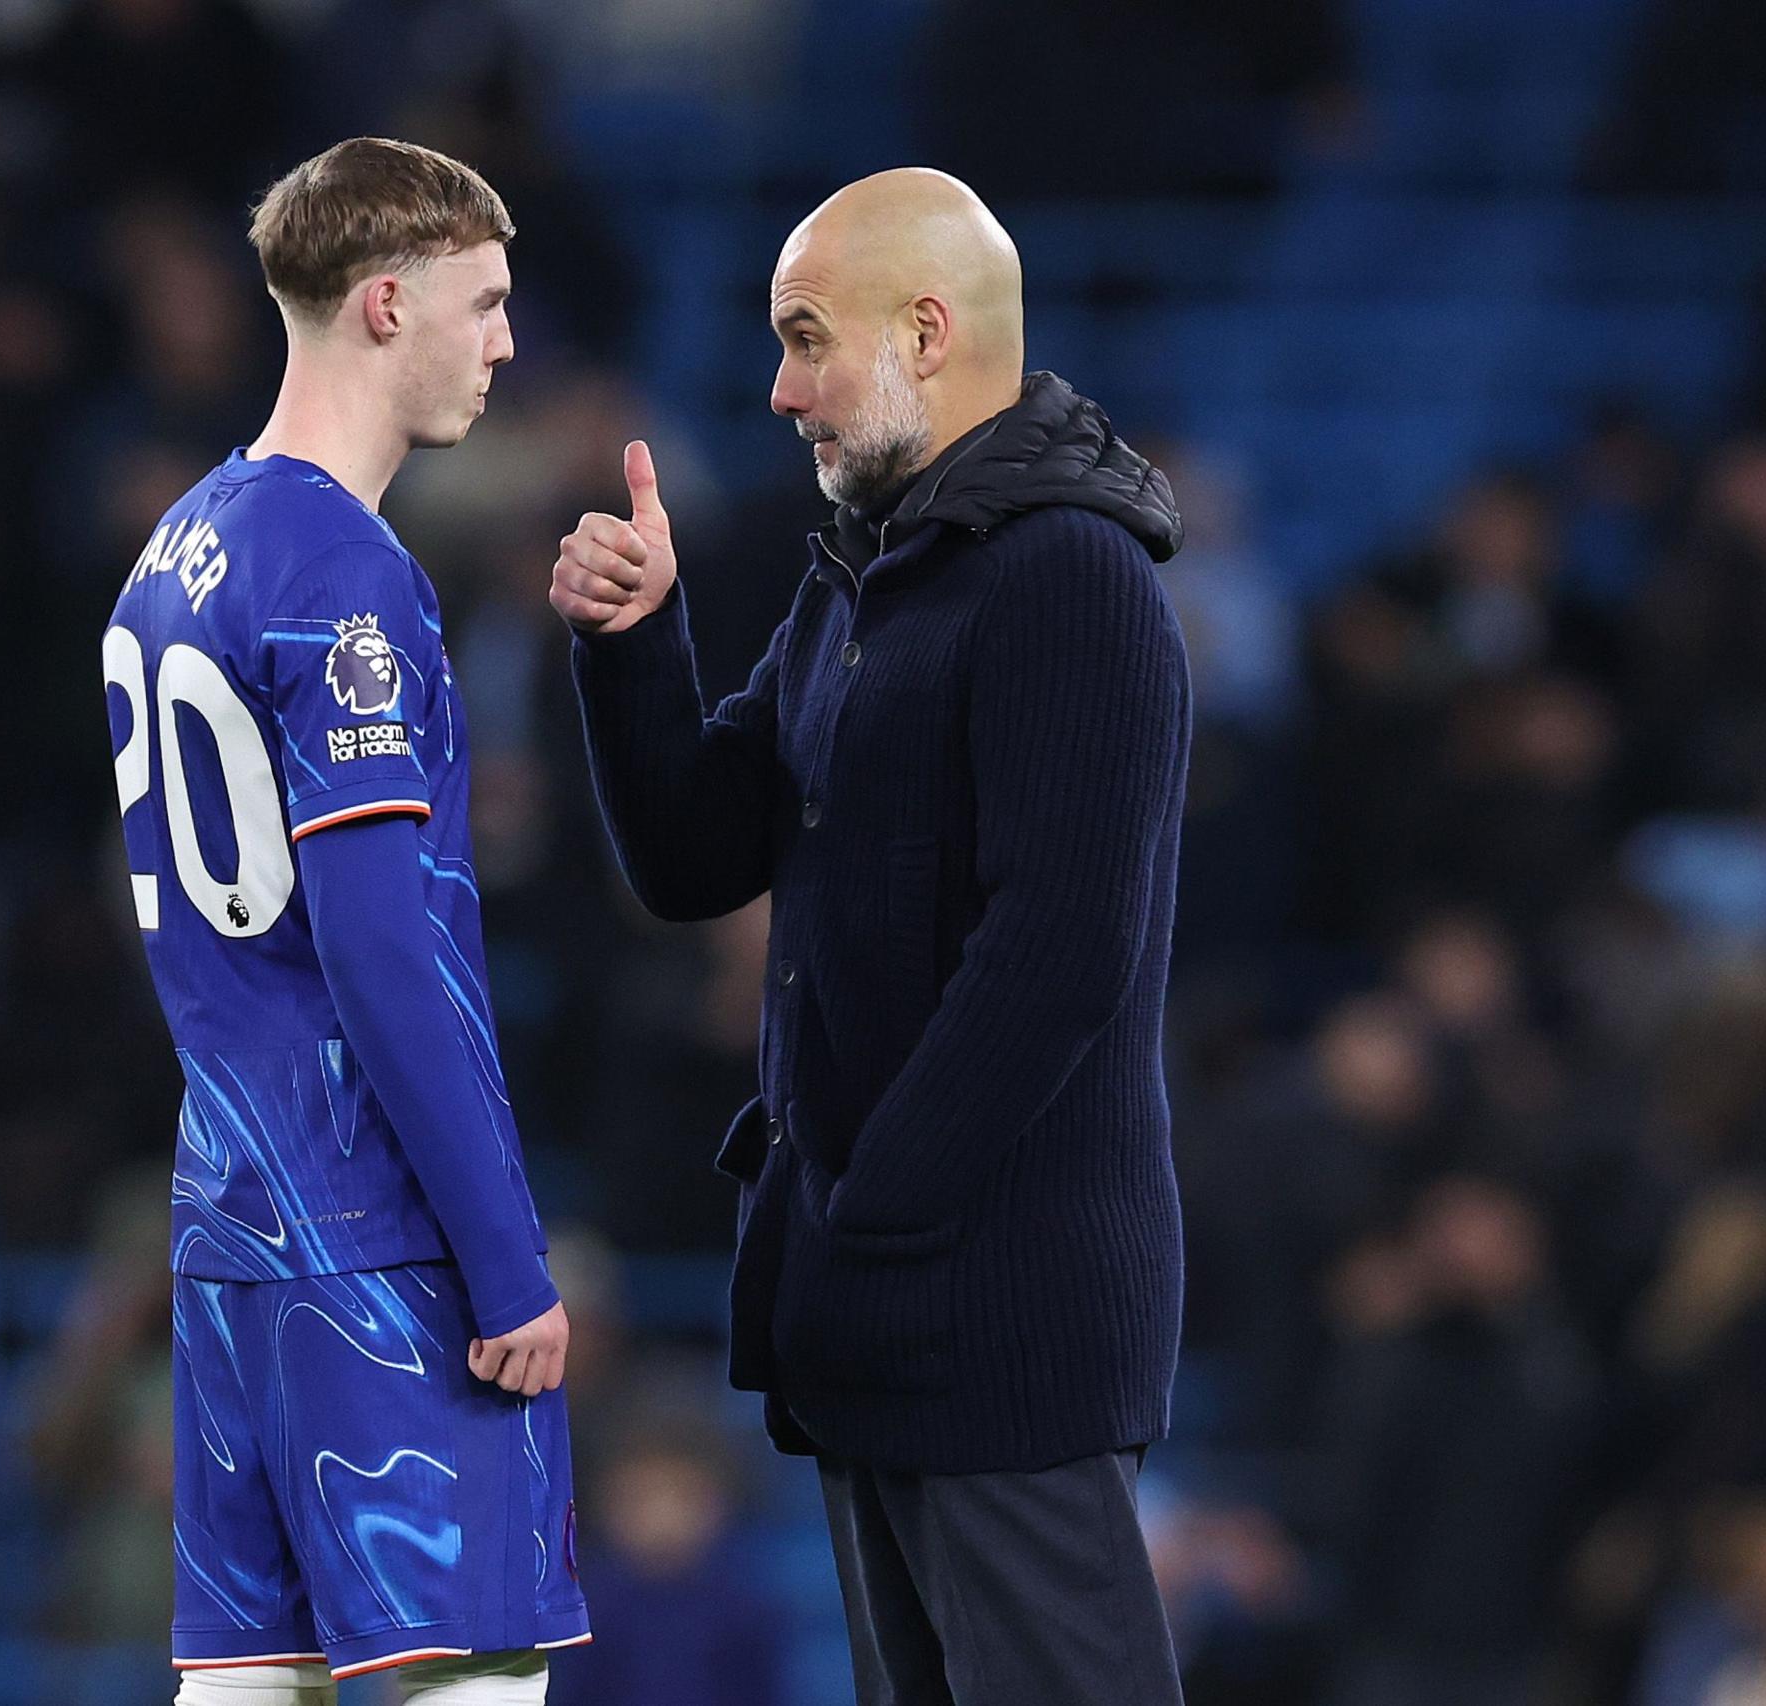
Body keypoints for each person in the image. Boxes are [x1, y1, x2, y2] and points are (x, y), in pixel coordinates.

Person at [552, 167, 1193, 1705]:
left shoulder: (1069, 578)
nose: (780, 391)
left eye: (805, 340)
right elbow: (700, 856)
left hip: (1002, 1314)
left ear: (926, 330)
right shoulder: (865, 579)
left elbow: (1057, 954)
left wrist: (872, 1208)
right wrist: (640, 646)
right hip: (883, 1315)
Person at [101, 138, 586, 1705]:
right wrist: (504, 1260)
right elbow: (380, 953)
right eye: (486, 301)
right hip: (371, 1225)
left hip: (230, 1216)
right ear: (387, 305)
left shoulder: (172, 554)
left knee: (249, 1689)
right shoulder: (346, 574)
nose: (507, 341)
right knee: (477, 1682)